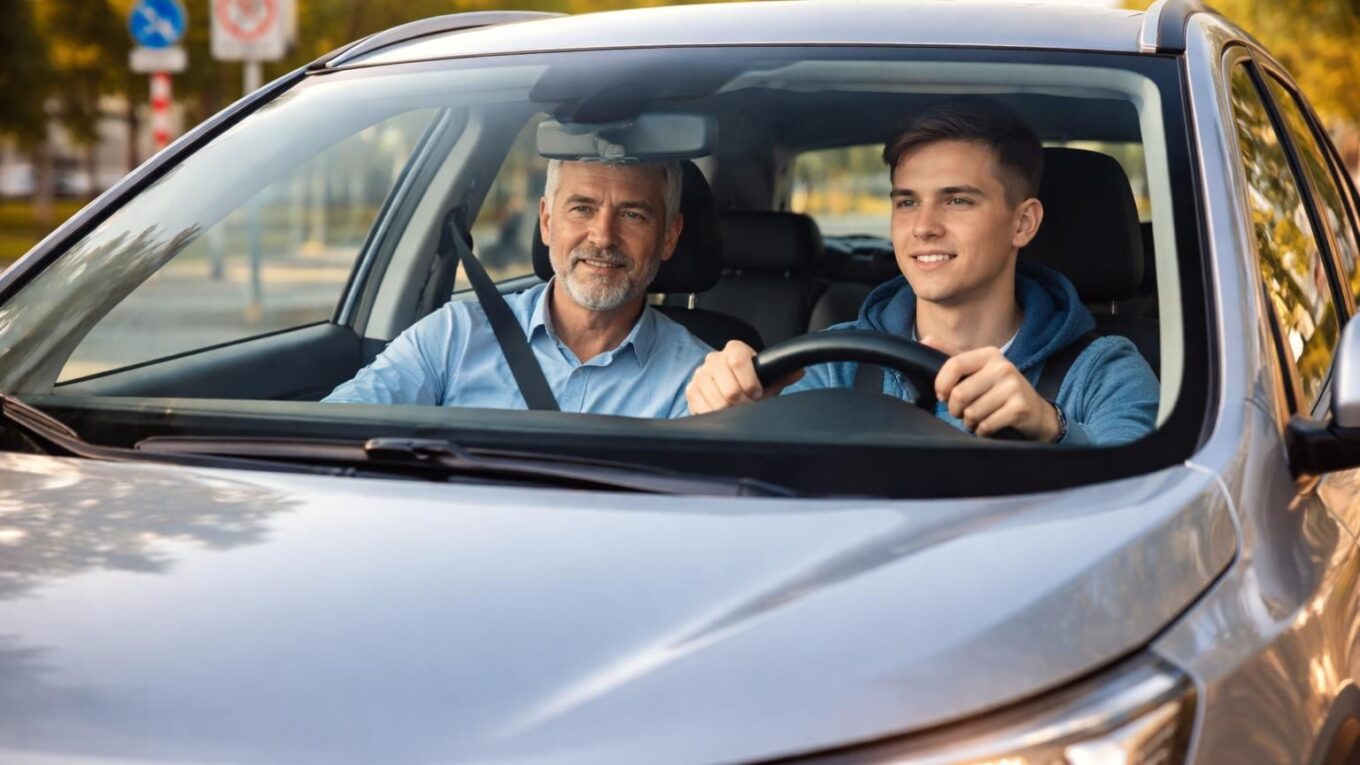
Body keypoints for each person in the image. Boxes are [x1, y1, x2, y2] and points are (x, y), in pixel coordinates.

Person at [685, 98, 1158, 445]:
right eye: (907, 202)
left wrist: (1051, 427)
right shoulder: (834, 362)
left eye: (957, 200)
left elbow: (1146, 509)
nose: (924, 227)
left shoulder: (1104, 370)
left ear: (1023, 222)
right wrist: (727, 417)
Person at [325, 159, 711, 417]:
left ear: (669, 237)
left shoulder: (701, 381)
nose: (603, 236)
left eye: (632, 215)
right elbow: (336, 428)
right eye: (582, 208)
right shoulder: (452, 338)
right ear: (546, 222)